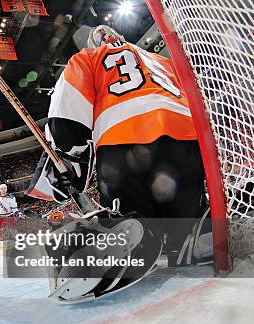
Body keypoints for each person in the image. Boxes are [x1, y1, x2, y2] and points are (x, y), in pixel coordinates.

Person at [27, 25, 208, 301]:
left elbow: (67, 115)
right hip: (185, 138)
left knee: (133, 219)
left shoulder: (87, 58)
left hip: (124, 144)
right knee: (185, 221)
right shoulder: (162, 61)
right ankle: (195, 237)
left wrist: (71, 166)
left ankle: (122, 246)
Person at [0, 184, 21, 255]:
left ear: (6, 189)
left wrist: (17, 213)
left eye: (4, 189)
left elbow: (14, 208)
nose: (3, 190)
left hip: (8, 215)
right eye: (2, 189)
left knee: (13, 230)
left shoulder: (11, 198)